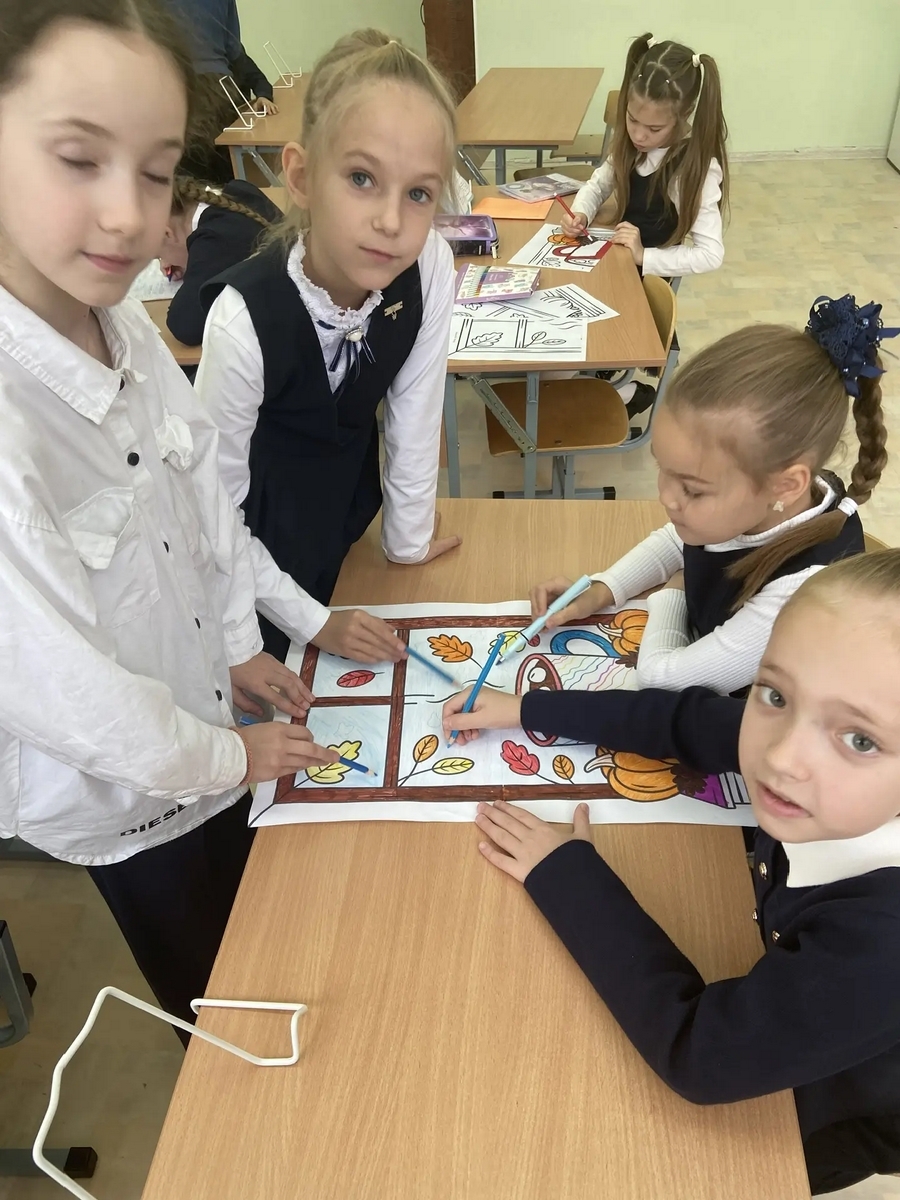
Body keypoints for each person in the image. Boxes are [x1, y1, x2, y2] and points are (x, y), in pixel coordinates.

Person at [0, 0, 406, 1037]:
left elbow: (204, 516)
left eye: (155, 171)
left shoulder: (121, 329)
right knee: (225, 1004)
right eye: (78, 160)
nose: (129, 218)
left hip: (208, 724)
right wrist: (233, 757)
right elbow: (77, 701)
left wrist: (236, 647)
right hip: (135, 798)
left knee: (275, 936)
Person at [443, 550, 900, 1194]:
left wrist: (568, 878)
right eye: (775, 694)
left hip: (816, 1121)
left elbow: (701, 1057)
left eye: (860, 740)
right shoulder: (818, 756)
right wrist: (527, 710)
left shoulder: (879, 945)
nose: (781, 756)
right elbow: (685, 721)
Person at [195, 29, 462, 661]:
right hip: (248, 567)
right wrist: (312, 622)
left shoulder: (429, 265)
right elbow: (213, 515)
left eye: (418, 193)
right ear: (302, 176)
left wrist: (407, 540)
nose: (391, 222)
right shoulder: (241, 323)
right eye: (362, 178)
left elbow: (415, 413)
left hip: (343, 534)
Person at [529, 296, 896, 696]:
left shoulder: (802, 593)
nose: (667, 498)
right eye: (662, 469)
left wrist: (673, 594)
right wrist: (604, 587)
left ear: (787, 485)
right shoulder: (763, 498)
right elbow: (678, 538)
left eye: (691, 489)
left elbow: (662, 680)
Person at [564, 33, 728, 414]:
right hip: (614, 263)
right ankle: (604, 382)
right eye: (632, 119)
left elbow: (711, 254)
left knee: (566, 339)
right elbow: (600, 181)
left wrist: (645, 256)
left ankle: (620, 390)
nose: (638, 134)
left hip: (637, 285)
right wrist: (582, 211)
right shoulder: (633, 143)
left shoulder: (694, 169)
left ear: (683, 116)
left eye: (653, 130)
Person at [162, 175, 281, 346]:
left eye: (159, 255)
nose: (165, 262)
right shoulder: (238, 190)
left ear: (167, 233)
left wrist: (193, 265)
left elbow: (184, 325)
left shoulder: (213, 242)